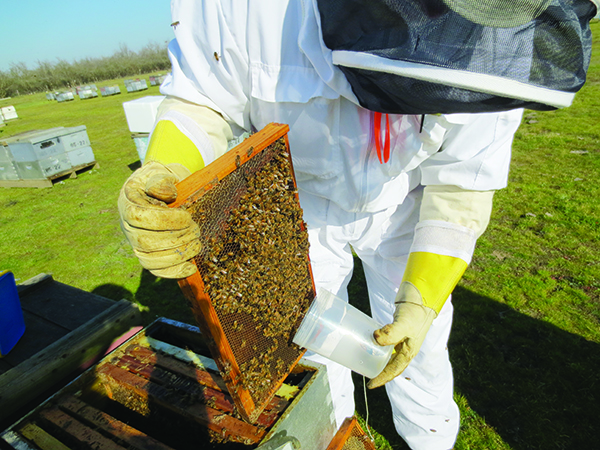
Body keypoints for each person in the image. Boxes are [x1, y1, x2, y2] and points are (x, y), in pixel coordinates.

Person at [118, 1, 597, 448]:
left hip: (407, 195)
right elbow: (204, 98)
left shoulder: (505, 34)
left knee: (419, 347)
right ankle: (328, 428)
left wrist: (421, 298)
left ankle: (430, 438)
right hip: (296, 198)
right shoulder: (249, 9)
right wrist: (170, 171)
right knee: (307, 344)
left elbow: (460, 186)